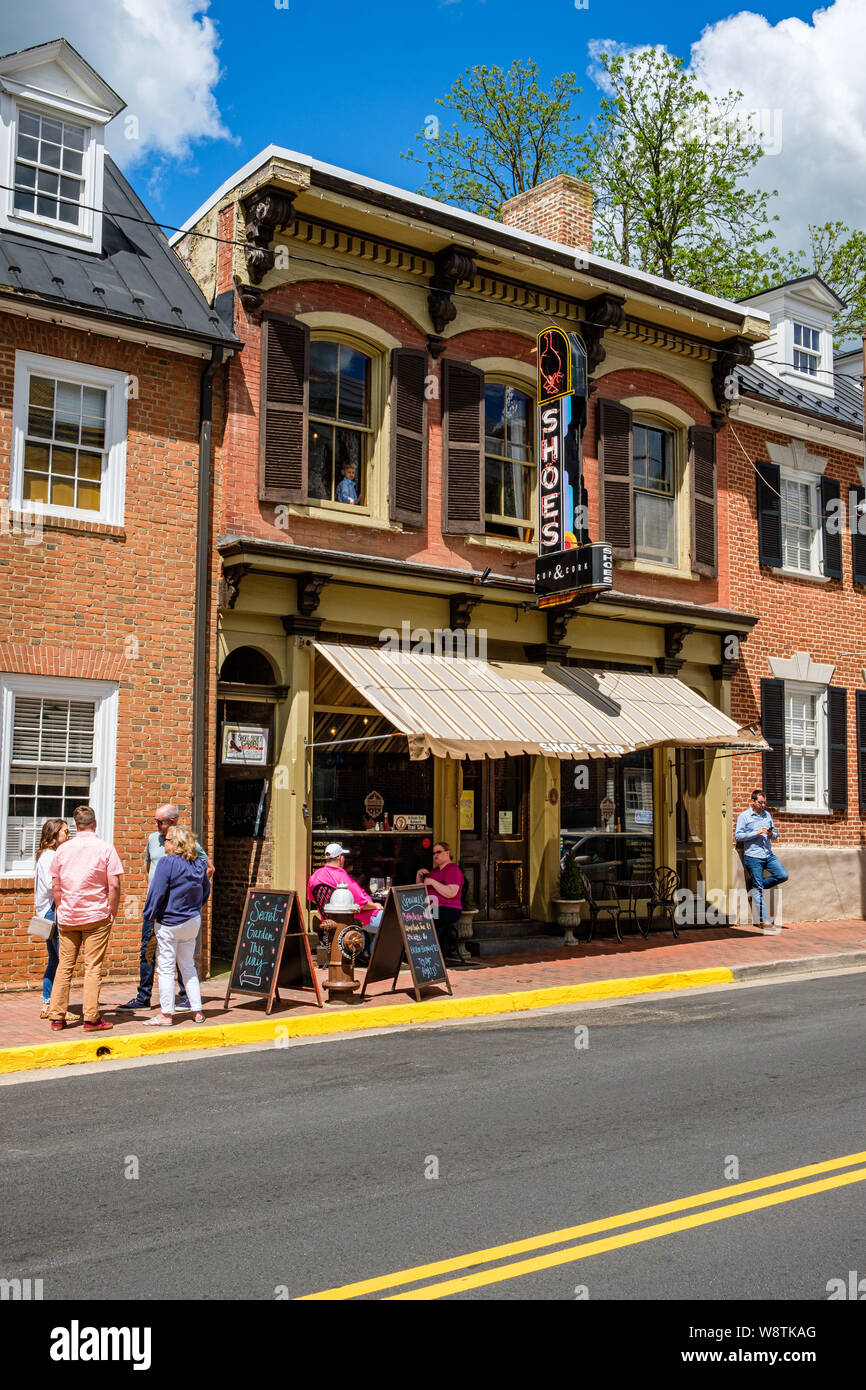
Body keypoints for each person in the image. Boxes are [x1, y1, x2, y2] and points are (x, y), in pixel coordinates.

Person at [118, 802, 211, 1012]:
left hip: (176, 911)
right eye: (155, 821)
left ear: (172, 822)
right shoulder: (153, 839)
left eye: (159, 822)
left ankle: (185, 997)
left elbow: (207, 869)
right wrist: (152, 900)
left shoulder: (189, 844)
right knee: (147, 951)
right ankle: (143, 997)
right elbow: (149, 869)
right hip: (156, 907)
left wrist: (192, 900)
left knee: (178, 956)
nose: (156, 825)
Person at [48, 805, 123, 1031]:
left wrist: (61, 908)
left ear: (76, 825)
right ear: (95, 823)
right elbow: (114, 884)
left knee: (65, 966)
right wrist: (113, 910)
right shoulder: (106, 848)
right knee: (93, 967)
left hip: (69, 915)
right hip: (96, 915)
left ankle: (57, 1017)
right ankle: (91, 1018)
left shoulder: (62, 850)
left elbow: (56, 884)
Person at [142, 825, 210, 1027]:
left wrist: (149, 915)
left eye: (168, 840)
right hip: (191, 921)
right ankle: (197, 1011)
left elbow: (157, 893)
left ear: (176, 843)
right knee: (188, 966)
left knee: (164, 968)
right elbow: (206, 889)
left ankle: (166, 1014)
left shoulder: (167, 863)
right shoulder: (198, 864)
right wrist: (195, 908)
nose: (165, 843)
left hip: (169, 922)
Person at [307, 843, 382, 962]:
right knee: (391, 920)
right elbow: (361, 903)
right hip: (355, 918)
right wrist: (375, 905)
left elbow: (312, 898)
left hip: (329, 920)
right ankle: (373, 956)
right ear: (340, 858)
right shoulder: (341, 875)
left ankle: (367, 953)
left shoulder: (315, 876)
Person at [34, 818, 73, 1020]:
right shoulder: (50, 857)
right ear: (54, 835)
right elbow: (52, 885)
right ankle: (58, 1007)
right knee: (64, 961)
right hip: (53, 912)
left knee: (55, 960)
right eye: (65, 832)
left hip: (46, 911)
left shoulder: (46, 855)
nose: (68, 835)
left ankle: (48, 1003)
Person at [735, 788, 788, 933]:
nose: (763, 805)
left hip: (768, 854)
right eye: (760, 802)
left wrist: (771, 833)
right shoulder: (744, 816)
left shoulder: (767, 815)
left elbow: (775, 834)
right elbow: (738, 836)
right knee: (758, 888)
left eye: (764, 803)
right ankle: (764, 920)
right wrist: (756, 833)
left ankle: (755, 890)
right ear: (753, 801)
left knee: (783, 875)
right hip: (753, 856)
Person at [417, 841, 464, 963]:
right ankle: (417, 956)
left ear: (447, 853)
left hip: (448, 908)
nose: (435, 855)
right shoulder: (434, 872)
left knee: (428, 919)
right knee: (409, 917)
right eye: (433, 853)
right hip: (431, 907)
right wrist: (419, 877)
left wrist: (433, 882)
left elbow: (451, 892)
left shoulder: (453, 869)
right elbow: (421, 892)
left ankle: (432, 958)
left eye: (439, 852)